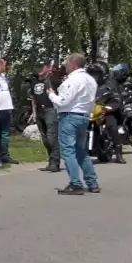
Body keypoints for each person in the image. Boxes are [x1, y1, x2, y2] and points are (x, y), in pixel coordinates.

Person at [50, 53, 100, 194]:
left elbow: (64, 101)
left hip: (69, 115)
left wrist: (51, 95)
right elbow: (91, 101)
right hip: (83, 116)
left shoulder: (73, 80)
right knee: (81, 151)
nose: (65, 66)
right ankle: (92, 182)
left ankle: (75, 183)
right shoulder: (91, 80)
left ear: (73, 64)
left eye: (66, 63)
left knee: (68, 150)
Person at [30, 65, 61, 172]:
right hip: (39, 111)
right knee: (44, 138)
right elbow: (33, 98)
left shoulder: (53, 80)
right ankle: (51, 160)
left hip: (50, 109)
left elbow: (61, 96)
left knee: (51, 137)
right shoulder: (33, 82)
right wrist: (34, 113)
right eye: (37, 68)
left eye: (41, 68)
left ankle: (55, 162)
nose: (39, 70)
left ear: (46, 69)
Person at [0, 58, 15, 165]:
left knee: (5, 133)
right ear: (0, 65)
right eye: (4, 65)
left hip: (6, 108)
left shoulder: (3, 77)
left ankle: (5, 155)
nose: (6, 67)